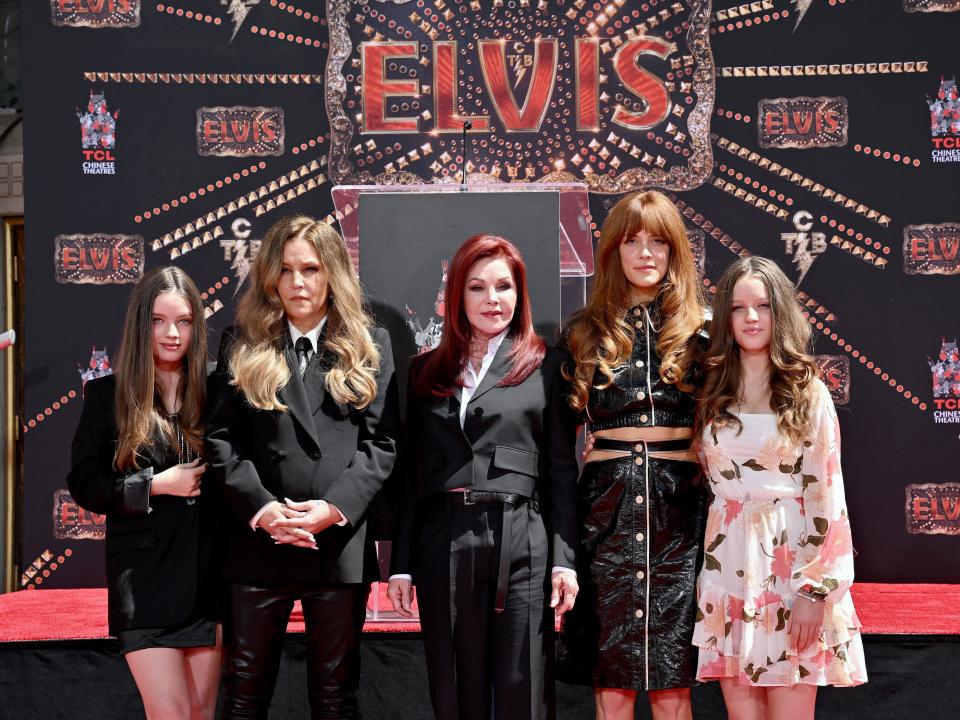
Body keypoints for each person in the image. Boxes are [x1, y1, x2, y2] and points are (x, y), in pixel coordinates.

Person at [205, 216, 399, 719]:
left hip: (334, 545)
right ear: (270, 277)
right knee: (244, 693)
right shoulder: (240, 343)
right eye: (286, 270)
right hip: (257, 545)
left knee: (335, 696)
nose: (297, 283)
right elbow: (222, 441)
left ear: (332, 274)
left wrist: (332, 509)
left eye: (310, 269)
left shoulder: (370, 345)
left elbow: (383, 445)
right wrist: (265, 510)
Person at [386, 234, 580, 720]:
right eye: (477, 287)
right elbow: (409, 476)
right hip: (443, 539)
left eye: (504, 287)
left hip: (523, 539)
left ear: (520, 294)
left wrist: (564, 559)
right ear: (457, 297)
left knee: (523, 687)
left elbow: (560, 470)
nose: (492, 300)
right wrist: (402, 564)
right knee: (454, 689)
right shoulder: (421, 372)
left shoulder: (547, 365)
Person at [557, 190, 708, 720]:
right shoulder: (581, 335)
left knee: (673, 684)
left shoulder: (704, 336)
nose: (645, 253)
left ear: (675, 251)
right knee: (613, 682)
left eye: (658, 241)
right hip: (607, 514)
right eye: (631, 241)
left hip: (682, 514)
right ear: (612, 251)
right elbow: (556, 450)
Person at [693, 256, 867, 718]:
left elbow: (827, 493)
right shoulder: (711, 386)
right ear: (724, 315)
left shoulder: (807, 389)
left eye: (764, 306)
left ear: (782, 311)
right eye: (738, 307)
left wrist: (815, 593)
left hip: (791, 571)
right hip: (727, 563)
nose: (751, 317)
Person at [67, 266, 220, 720]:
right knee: (170, 714)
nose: (172, 333)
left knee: (199, 714)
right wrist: (154, 485)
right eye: (158, 321)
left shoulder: (218, 392)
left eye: (184, 321)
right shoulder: (106, 396)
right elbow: (84, 483)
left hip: (209, 582)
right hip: (144, 583)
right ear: (140, 325)